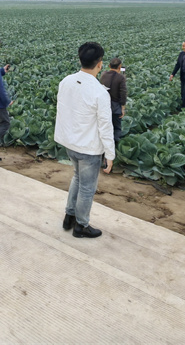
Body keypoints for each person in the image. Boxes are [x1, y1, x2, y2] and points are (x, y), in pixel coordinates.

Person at [54, 42, 116, 238]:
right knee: (87, 188)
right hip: (88, 147)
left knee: (77, 178)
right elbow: (105, 126)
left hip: (69, 143)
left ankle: (69, 216)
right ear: (100, 64)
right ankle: (81, 225)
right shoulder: (99, 92)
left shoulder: (66, 81)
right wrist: (110, 154)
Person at [100, 57, 127, 144]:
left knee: (105, 126)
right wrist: (122, 108)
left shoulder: (103, 74)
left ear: (109, 66)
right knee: (116, 127)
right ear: (120, 67)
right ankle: (115, 146)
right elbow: (123, 93)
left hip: (104, 105)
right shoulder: (121, 78)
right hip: (115, 106)